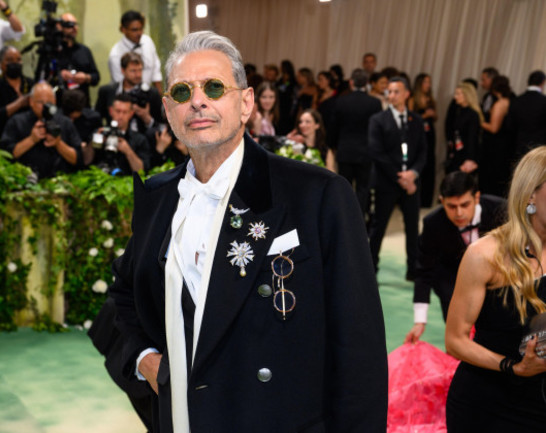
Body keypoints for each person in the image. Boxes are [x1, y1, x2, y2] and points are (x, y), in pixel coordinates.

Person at [90, 30, 387, 433]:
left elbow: (358, 348)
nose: (197, 101)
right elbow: (125, 295)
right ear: (168, 110)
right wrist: (145, 358)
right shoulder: (159, 197)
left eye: (214, 87)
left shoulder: (317, 196)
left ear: (245, 103)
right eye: (181, 92)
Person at [445, 146, 546, 432]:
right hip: (488, 407)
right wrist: (513, 367)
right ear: (530, 195)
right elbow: (455, 340)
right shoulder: (485, 255)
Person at [404, 172, 505, 344]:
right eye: (451, 206)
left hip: (499, 279)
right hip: (452, 285)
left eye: (465, 205)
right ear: (442, 201)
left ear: (477, 197)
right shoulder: (433, 223)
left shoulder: (502, 211)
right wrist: (419, 321)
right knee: (461, 342)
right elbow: (424, 270)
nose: (459, 213)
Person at [368, 76, 427, 281]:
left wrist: (413, 174)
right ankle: (370, 268)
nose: (391, 95)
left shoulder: (416, 121)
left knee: (412, 228)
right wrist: (399, 177)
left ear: (406, 94)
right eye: (389, 92)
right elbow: (377, 153)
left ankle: (413, 268)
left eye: (396, 91)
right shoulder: (378, 120)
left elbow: (423, 152)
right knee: (378, 227)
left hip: (411, 183)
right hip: (387, 182)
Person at [0, 82, 82, 179]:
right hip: (24, 179)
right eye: (40, 102)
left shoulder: (66, 123)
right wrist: (31, 139)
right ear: (31, 101)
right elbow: (6, 155)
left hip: (59, 181)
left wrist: (58, 143)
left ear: (55, 102)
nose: (45, 107)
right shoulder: (17, 121)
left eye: (49, 102)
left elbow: (78, 159)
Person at [328, 68, 382, 214]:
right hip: (366, 152)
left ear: (351, 82)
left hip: (345, 150)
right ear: (367, 84)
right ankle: (359, 221)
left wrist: (332, 146)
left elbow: (334, 127)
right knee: (363, 189)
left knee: (344, 187)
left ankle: (345, 217)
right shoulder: (375, 103)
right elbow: (377, 131)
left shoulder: (341, 101)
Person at [95, 52, 163, 133]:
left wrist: (146, 118)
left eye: (140, 70)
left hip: (142, 142)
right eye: (133, 71)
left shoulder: (152, 94)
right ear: (123, 71)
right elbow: (96, 120)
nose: (138, 75)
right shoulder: (107, 91)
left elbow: (161, 126)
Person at [0, 45, 34, 140]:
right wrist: (18, 104)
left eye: (18, 60)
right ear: (1, 64)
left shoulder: (31, 84)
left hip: (29, 135)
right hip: (1, 137)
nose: (15, 63)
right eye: (10, 60)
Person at [108, 10, 163, 93]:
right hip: (125, 98)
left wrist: (160, 97)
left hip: (149, 94)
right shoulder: (115, 54)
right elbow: (120, 84)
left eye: (141, 29)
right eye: (134, 30)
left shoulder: (147, 41)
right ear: (123, 29)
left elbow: (156, 71)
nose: (139, 33)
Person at [56, 13, 100, 107]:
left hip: (83, 105)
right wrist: (59, 76)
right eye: (70, 25)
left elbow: (96, 77)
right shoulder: (52, 51)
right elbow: (42, 79)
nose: (74, 28)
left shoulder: (84, 50)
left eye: (76, 24)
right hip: (60, 105)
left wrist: (86, 77)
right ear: (59, 27)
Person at [480, 75, 514, 197]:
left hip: (495, 148)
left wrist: (479, 121)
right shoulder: (510, 101)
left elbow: (494, 128)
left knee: (492, 177)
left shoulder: (500, 103)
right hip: (505, 146)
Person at [409, 73, 438, 208]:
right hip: (417, 133)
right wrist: (425, 115)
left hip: (430, 133)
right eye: (426, 82)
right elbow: (410, 118)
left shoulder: (430, 99)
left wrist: (432, 114)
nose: (429, 85)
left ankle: (427, 200)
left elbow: (436, 116)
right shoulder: (413, 99)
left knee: (430, 163)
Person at [507, 70, 546, 160]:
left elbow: (509, 126)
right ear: (543, 82)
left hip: (518, 145)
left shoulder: (516, 101)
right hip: (538, 148)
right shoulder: (544, 101)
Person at [445, 82, 482, 174]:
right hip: (457, 153)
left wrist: (469, 159)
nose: (455, 97)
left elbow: (472, 138)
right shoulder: (459, 111)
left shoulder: (473, 115)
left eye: (458, 94)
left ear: (466, 95)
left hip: (466, 156)